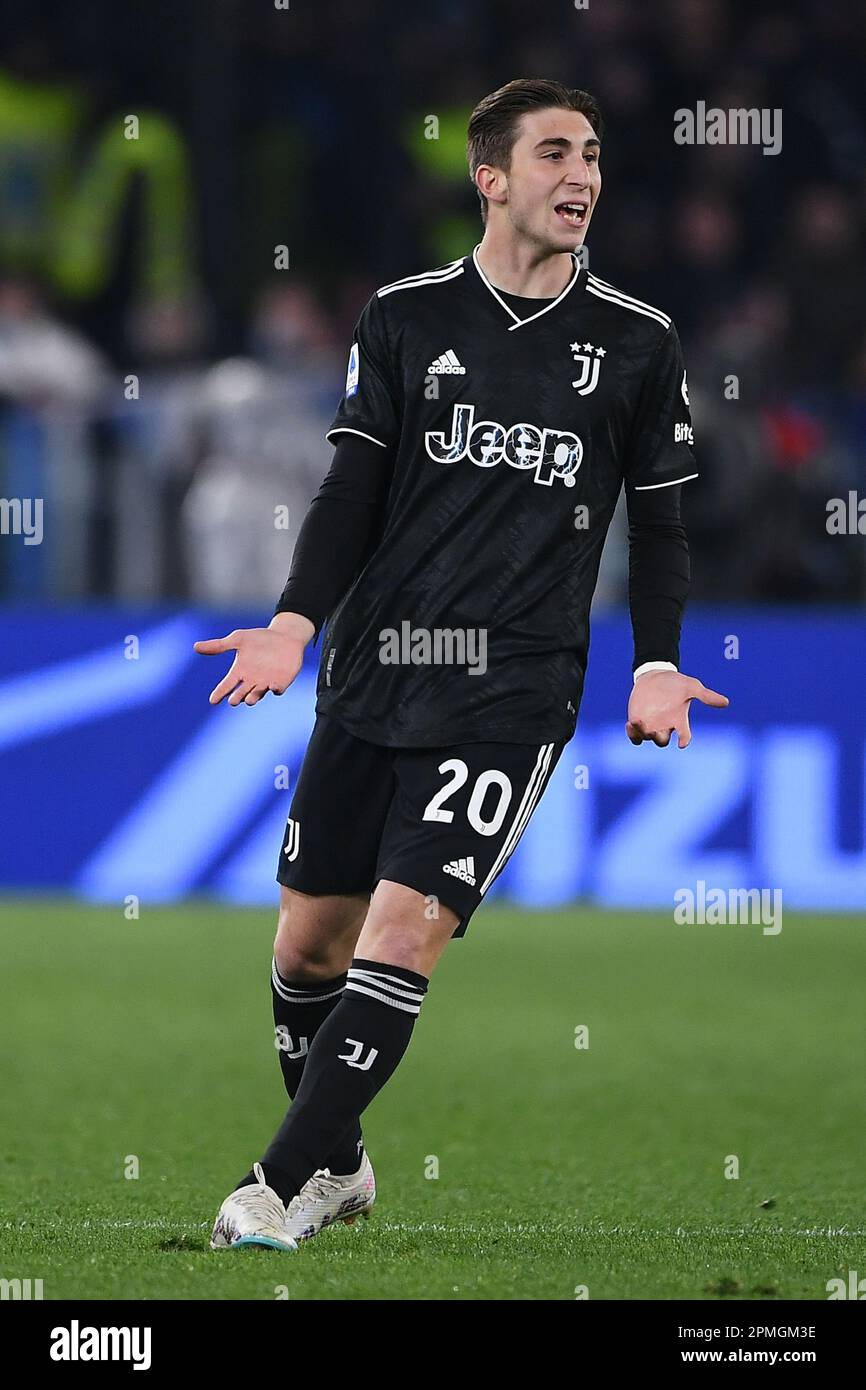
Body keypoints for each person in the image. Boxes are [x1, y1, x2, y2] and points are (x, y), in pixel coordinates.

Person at [195, 78, 728, 1252]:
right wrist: (292, 622)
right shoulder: (404, 316)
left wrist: (655, 663)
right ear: (490, 177)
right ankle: (338, 1164)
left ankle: (274, 1187)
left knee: (401, 932)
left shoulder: (635, 342)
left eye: (591, 154)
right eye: (552, 153)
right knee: (305, 946)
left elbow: (664, 521)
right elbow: (351, 490)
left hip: (513, 688)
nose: (580, 175)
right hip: (375, 668)